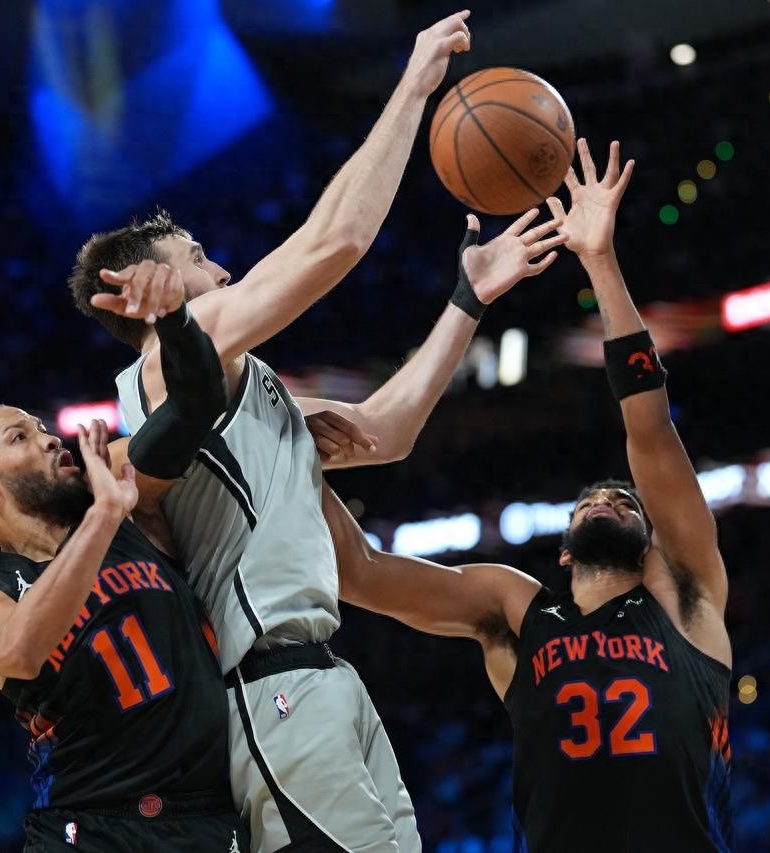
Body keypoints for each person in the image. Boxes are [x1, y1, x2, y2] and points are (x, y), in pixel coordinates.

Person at [66, 12, 567, 852]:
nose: (223, 268)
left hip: (322, 682)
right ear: (152, 284)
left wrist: (468, 298)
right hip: (272, 692)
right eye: (198, 256)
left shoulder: (240, 392)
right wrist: (414, 85)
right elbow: (334, 242)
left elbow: (385, 441)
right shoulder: (168, 364)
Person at [321, 141, 735, 853]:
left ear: (649, 542)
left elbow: (650, 427)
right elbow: (359, 573)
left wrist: (599, 261)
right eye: (593, 498)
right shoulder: (517, 608)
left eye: (626, 500)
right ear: (565, 551)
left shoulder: (685, 597)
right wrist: (294, 460)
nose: (609, 496)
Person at [0, 277, 249, 851]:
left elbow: (197, 407)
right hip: (88, 829)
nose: (49, 440)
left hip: (208, 818)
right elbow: (20, 651)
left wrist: (174, 319)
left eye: (43, 429)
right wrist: (104, 515)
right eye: (19, 437)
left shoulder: (122, 496)